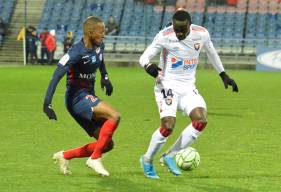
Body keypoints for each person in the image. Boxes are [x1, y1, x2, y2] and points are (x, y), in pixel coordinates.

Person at [139, 10, 238, 179]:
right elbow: (143, 57)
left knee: (201, 120)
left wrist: (223, 74)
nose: (178, 33)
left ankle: (169, 156)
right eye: (176, 29)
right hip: (167, 85)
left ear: (190, 25)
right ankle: (147, 160)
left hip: (188, 87)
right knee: (168, 126)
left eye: (181, 30)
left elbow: (212, 52)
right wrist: (149, 67)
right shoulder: (165, 35)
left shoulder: (202, 34)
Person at [43, 16, 120, 177]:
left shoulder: (99, 46)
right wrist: (47, 103)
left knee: (107, 144)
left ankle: (64, 156)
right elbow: (56, 75)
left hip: (87, 95)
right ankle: (95, 159)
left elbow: (100, 59)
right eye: (101, 32)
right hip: (76, 99)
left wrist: (105, 77)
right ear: (90, 32)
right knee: (114, 115)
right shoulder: (75, 52)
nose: (104, 35)